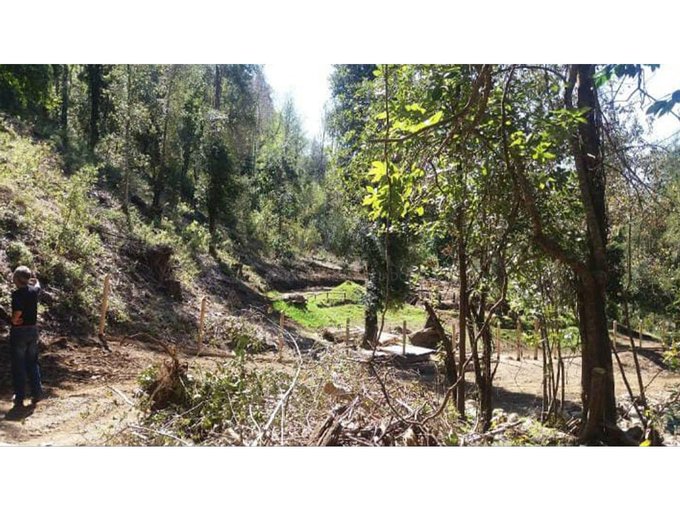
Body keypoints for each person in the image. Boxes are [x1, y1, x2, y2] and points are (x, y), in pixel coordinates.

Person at [1, 266, 43, 410]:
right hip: (33, 330)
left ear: (17, 279)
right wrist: (35, 280)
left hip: (20, 332)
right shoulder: (34, 291)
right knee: (32, 362)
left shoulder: (17, 294)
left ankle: (19, 397)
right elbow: (37, 285)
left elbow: (17, 312)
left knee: (18, 364)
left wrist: (13, 320)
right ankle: (37, 393)